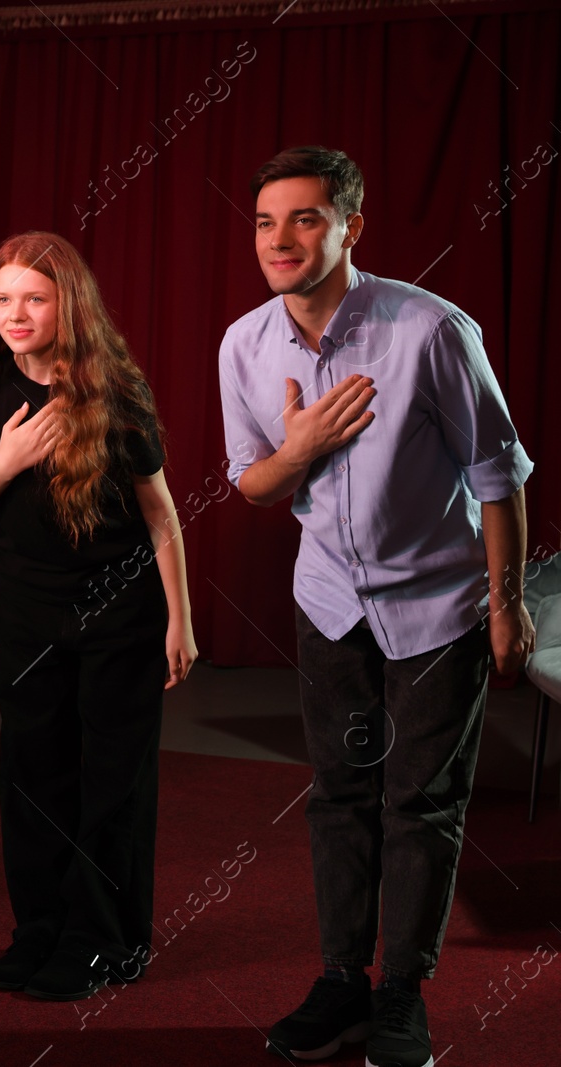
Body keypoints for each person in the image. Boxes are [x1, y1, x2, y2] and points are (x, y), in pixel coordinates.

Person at [218, 146, 534, 1067]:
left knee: (421, 801)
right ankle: (341, 980)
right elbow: (254, 485)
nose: (281, 239)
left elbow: (497, 475)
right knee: (341, 796)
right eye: (267, 221)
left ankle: (402, 993)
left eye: (306, 218)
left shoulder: (430, 330)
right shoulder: (245, 342)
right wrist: (302, 445)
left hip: (439, 609)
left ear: (353, 227)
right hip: (329, 606)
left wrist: (507, 607)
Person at [0, 231, 196, 1001]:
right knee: (34, 774)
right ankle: (41, 929)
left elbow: (162, 518)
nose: (15, 313)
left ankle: (104, 940)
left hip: (121, 616)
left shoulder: (115, 392)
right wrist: (8, 462)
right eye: (4, 297)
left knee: (110, 780)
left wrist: (179, 620)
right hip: (29, 616)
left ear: (68, 305)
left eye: (35, 298)